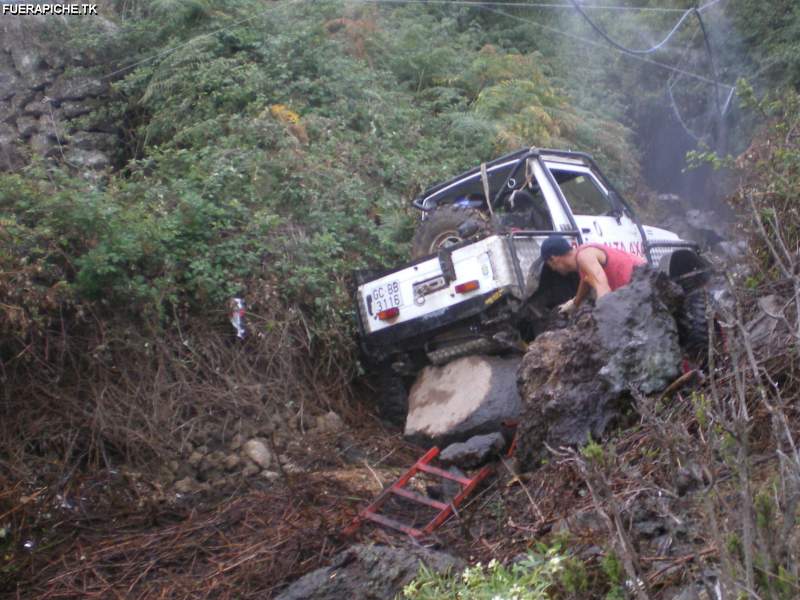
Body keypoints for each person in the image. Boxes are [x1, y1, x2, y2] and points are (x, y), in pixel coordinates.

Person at [539, 236, 646, 315]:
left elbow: (604, 290)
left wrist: (601, 319)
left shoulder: (584, 257)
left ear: (553, 259)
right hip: (639, 285)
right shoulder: (582, 256)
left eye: (550, 265)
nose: (553, 269)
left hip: (644, 285)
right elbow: (585, 281)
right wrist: (574, 303)